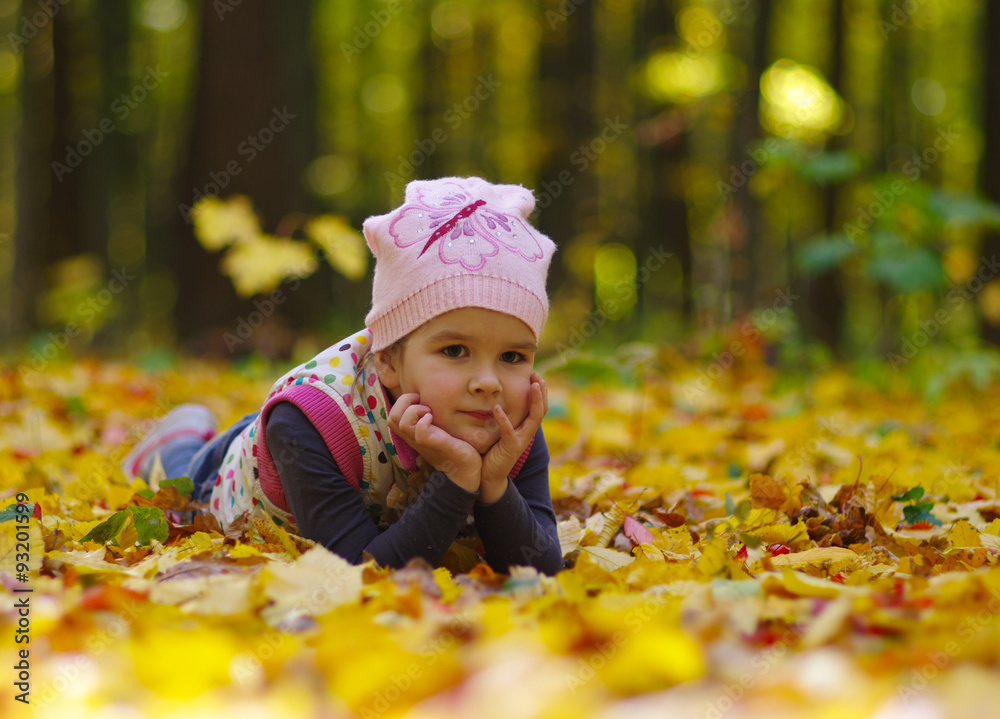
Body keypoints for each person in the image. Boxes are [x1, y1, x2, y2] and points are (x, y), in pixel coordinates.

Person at [122, 176, 563, 575]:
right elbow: (360, 572)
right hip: (235, 478)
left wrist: (490, 482)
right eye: (454, 350)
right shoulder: (312, 421)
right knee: (181, 481)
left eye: (511, 357)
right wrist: (454, 480)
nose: (488, 381)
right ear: (388, 359)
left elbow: (540, 567)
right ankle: (176, 439)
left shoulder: (503, 420)